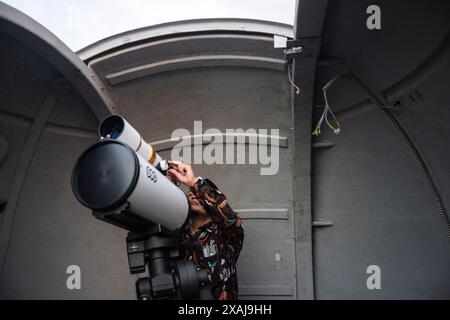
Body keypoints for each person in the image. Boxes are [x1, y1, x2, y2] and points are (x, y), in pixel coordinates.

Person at [166, 160, 244, 300]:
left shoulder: (227, 234)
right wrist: (166, 187)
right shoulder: (176, 232)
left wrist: (194, 183)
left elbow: (229, 217)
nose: (193, 194)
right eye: (190, 192)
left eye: (198, 193)